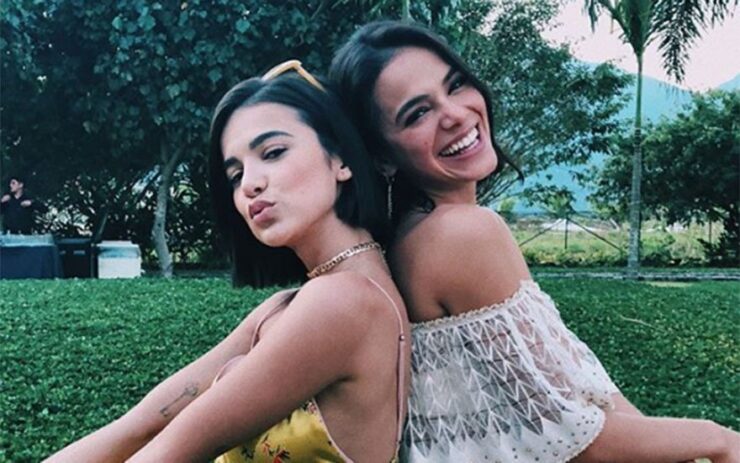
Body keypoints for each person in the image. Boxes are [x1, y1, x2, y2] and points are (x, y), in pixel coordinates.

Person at [330, 21, 739, 463]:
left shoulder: (415, 235)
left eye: (456, 85)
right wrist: (719, 438)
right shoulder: (460, 234)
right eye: (418, 113)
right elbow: (570, 435)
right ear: (381, 156)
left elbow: (582, 401)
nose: (455, 114)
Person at [45, 61, 410, 463]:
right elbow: (141, 426)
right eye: (235, 175)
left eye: (273, 153)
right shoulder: (289, 305)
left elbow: (167, 452)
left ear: (340, 159)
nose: (250, 184)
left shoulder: (345, 302)